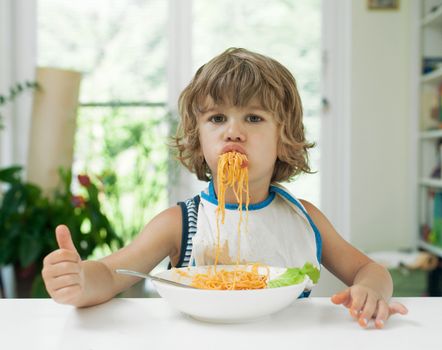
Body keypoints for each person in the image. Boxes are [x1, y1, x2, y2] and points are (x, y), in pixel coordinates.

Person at [42, 47, 407, 329]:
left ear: (284, 139)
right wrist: (77, 281)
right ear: (198, 139)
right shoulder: (180, 223)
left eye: (253, 117)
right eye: (217, 118)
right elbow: (110, 274)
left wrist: (371, 291)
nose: (233, 130)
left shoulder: (303, 218)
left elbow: (370, 270)